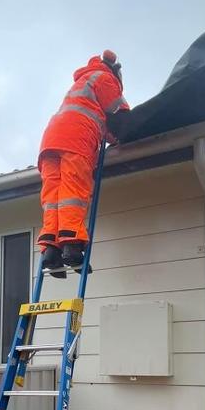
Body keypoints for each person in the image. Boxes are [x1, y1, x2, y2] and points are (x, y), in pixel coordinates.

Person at [37, 50, 129, 276]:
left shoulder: (82, 83)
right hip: (76, 139)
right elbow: (121, 116)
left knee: (53, 197)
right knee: (73, 192)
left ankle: (51, 250)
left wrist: (109, 136)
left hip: (50, 140)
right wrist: (125, 133)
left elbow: (100, 120)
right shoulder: (105, 78)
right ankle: (72, 247)